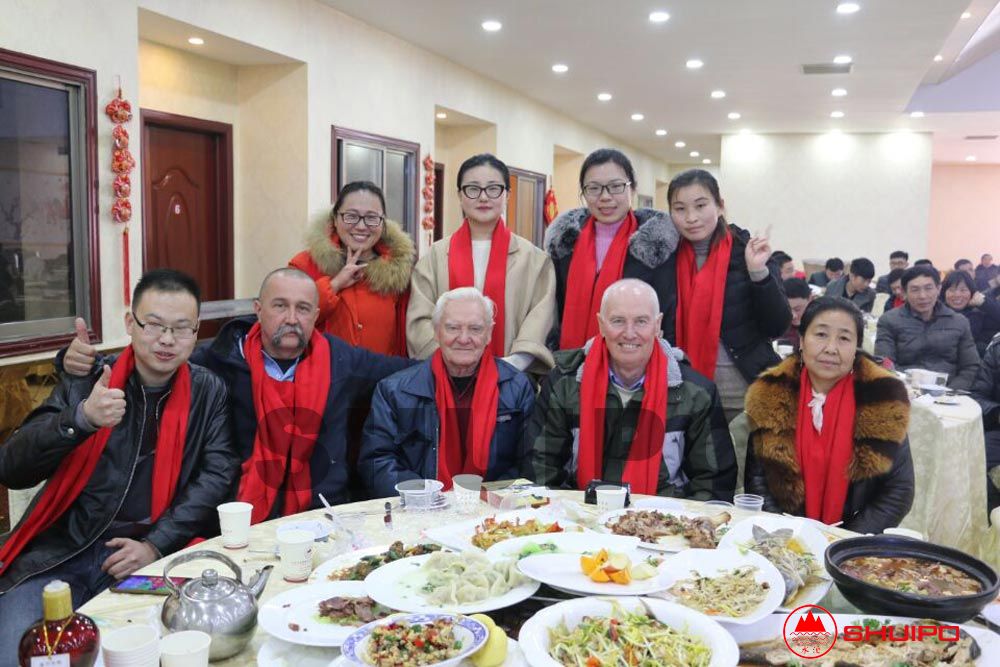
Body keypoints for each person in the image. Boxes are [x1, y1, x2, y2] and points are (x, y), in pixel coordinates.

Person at [0, 270, 239, 651]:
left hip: (148, 556)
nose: (167, 339)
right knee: (17, 650)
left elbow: (216, 475)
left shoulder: (208, 390)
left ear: (196, 332)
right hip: (63, 552)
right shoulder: (89, 379)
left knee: (179, 647)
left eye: (181, 328)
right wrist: (82, 419)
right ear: (130, 323)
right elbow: (12, 468)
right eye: (154, 325)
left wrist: (155, 544)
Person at [62, 268, 413, 516]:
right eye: (280, 306)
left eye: (303, 309)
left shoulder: (341, 359)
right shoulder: (219, 359)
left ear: (316, 315)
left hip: (322, 514)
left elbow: (408, 372)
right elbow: (143, 362)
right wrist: (71, 360)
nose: (292, 318)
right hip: (236, 518)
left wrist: (449, 344)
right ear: (258, 310)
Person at [529, 279, 737, 500]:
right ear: (601, 324)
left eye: (641, 321)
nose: (629, 333)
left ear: (657, 325)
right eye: (618, 321)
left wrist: (673, 520)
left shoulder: (696, 393)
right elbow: (540, 471)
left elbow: (714, 485)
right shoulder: (563, 385)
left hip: (665, 516)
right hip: (581, 514)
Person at [744, 297, 913, 533]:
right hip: (784, 538)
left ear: (856, 347)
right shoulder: (771, 395)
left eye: (844, 338)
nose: (831, 348)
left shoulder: (882, 399)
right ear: (801, 340)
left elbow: (898, 490)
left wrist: (845, 539)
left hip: (851, 540)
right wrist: (789, 537)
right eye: (821, 334)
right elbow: (757, 480)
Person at [360, 289, 534, 497]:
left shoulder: (517, 387)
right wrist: (428, 496)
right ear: (436, 332)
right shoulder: (394, 391)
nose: (464, 338)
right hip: (419, 508)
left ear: (488, 334)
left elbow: (530, 463)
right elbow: (377, 462)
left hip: (493, 507)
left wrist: (488, 497)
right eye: (453, 328)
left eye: (475, 329)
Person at [660, 169, 791, 422]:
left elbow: (777, 326)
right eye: (680, 209)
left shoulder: (747, 252)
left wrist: (758, 272)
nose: (691, 218)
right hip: (685, 397)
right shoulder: (664, 260)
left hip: (746, 396)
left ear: (720, 206)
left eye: (700, 206)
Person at [407, 154, 555, 374]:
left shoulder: (534, 259)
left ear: (507, 195)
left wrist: (511, 365)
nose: (483, 197)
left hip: (511, 376)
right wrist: (455, 363)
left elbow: (539, 320)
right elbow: (420, 321)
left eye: (493, 189)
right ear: (460, 195)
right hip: (446, 377)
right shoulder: (435, 256)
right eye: (473, 189)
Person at [546, 148, 678, 350]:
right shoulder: (564, 244)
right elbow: (555, 309)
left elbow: (666, 313)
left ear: (632, 189)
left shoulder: (655, 246)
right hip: (569, 359)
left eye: (616, 186)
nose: (605, 197)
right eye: (594, 188)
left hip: (634, 357)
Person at [289, 181, 414, 356]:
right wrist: (335, 284)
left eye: (371, 218)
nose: (361, 226)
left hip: (383, 372)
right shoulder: (304, 265)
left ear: (383, 223)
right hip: (323, 372)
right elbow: (291, 320)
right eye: (351, 216)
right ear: (335, 219)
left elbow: (405, 338)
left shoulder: (398, 273)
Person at [875, 265, 980, 390]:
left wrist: (951, 392)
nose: (923, 296)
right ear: (904, 293)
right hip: (904, 391)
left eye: (928, 288)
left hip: (950, 392)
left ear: (938, 289)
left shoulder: (958, 322)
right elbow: (885, 364)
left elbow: (970, 366)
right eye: (915, 290)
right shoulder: (889, 320)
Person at [970, 333, 1000, 513]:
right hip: (998, 432)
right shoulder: (997, 348)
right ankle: (987, 519)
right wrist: (996, 413)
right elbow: (978, 395)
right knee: (969, 457)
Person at [941, 270, 1000, 356]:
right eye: (951, 290)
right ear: (944, 293)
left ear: (972, 292)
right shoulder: (935, 314)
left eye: (963, 290)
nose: (957, 295)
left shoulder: (978, 314)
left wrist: (984, 303)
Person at [779, 277, 813, 351]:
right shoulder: (778, 324)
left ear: (810, 299)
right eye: (787, 309)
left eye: (797, 309)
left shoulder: (820, 321)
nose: (793, 316)